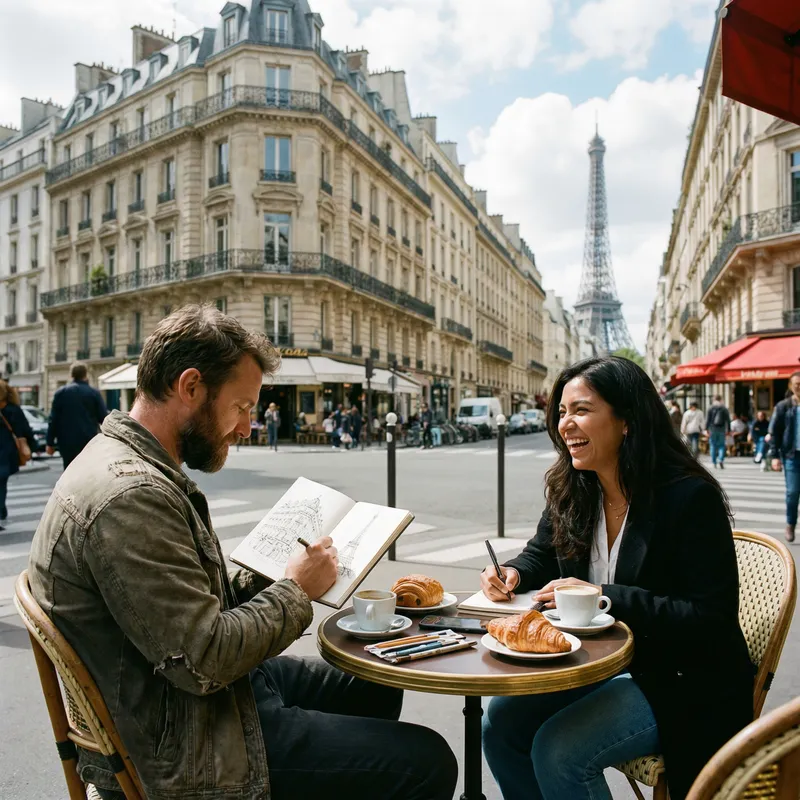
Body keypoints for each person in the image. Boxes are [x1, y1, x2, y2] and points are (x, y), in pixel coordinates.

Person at [28, 305, 457, 800]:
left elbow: (184, 613)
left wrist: (267, 568)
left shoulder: (134, 464)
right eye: (241, 407)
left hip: (190, 702)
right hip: (187, 740)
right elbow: (204, 659)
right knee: (427, 761)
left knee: (376, 682)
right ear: (190, 387)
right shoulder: (131, 497)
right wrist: (296, 588)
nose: (246, 427)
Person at [479, 356, 752, 800]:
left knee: (558, 749)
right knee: (500, 722)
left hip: (678, 676)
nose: (566, 424)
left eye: (581, 410)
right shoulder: (575, 487)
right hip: (598, 662)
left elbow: (710, 617)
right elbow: (541, 555)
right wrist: (510, 571)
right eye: (562, 411)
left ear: (627, 420)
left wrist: (605, 596)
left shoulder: (688, 498)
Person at [45, 361, 108, 468]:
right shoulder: (93, 393)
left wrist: (49, 442)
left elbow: (53, 420)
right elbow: (103, 418)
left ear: (71, 375)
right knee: (88, 471)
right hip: (89, 440)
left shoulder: (61, 393)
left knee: (69, 471)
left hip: (67, 442)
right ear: (86, 374)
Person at [768, 370, 800, 543]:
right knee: (793, 492)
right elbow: (775, 432)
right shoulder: (783, 406)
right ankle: (790, 524)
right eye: (796, 385)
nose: (799, 387)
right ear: (791, 386)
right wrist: (774, 455)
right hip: (792, 455)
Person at [0, 380, 35, 530]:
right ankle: (1, 509)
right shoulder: (13, 409)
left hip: (5, 452)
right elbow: (24, 430)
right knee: (2, 483)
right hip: (5, 452)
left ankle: (2, 509)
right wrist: (32, 447)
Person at [705, 394, 731, 469]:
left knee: (713, 445)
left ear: (714, 399)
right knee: (721, 445)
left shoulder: (711, 408)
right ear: (720, 399)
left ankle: (714, 462)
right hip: (722, 429)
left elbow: (708, 419)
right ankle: (721, 459)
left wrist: (706, 429)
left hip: (712, 428)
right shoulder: (724, 408)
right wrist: (728, 430)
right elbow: (728, 420)